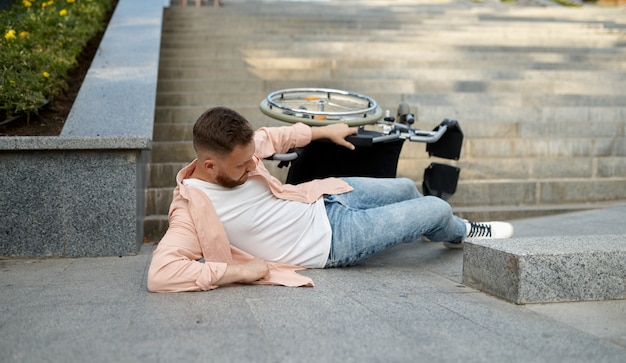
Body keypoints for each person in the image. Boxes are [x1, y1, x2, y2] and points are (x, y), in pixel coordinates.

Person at [147, 106, 513, 292]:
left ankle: (430, 227)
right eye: (242, 166)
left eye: (250, 160)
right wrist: (242, 271)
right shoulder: (189, 210)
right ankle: (461, 230)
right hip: (333, 241)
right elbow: (160, 274)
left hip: (320, 199)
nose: (251, 167)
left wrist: (326, 132)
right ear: (208, 164)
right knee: (437, 207)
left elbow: (273, 138)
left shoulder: (238, 151)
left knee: (403, 186)